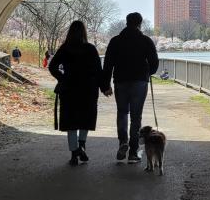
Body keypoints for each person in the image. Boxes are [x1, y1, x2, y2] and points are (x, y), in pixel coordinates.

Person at [102, 12, 160, 163]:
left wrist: (105, 85)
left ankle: (123, 142)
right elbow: (154, 62)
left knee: (122, 113)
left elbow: (107, 64)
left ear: (126, 23)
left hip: (120, 81)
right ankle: (133, 152)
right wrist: (148, 72)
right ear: (140, 24)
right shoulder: (146, 41)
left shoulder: (116, 41)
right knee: (136, 117)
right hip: (140, 82)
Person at [48, 21, 105, 167]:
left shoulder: (65, 49)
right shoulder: (91, 49)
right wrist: (104, 87)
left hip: (69, 89)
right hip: (88, 89)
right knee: (86, 119)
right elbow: (99, 71)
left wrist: (62, 77)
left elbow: (52, 66)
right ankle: (82, 146)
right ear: (84, 32)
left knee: (71, 122)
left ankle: (74, 154)